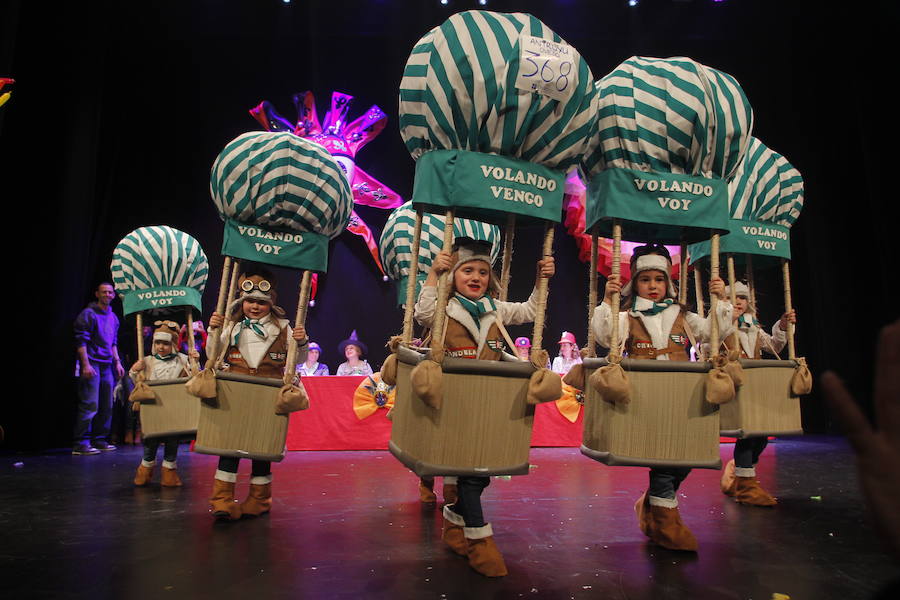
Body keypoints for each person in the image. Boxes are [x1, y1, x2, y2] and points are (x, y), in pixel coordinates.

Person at [415, 236, 555, 577]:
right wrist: (435, 274)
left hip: (487, 404)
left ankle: (453, 524)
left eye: (481, 271)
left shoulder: (495, 309)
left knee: (481, 474)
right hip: (453, 404)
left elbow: (530, 311)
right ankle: (479, 539)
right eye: (467, 270)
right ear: (455, 275)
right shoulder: (445, 309)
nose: (475, 277)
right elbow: (422, 312)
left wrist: (541, 281)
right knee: (471, 477)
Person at [591, 243, 732, 552]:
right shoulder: (627, 316)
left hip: (682, 395)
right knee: (664, 458)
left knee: (686, 456)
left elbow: (714, 332)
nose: (652, 286)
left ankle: (652, 505)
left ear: (668, 282)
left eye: (658, 279)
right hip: (646, 396)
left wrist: (720, 300)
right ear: (635, 282)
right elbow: (603, 336)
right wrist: (607, 300)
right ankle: (665, 519)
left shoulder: (683, 315)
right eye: (645, 279)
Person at [204, 266, 308, 520]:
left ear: (270, 303)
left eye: (261, 302)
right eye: (250, 300)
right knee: (229, 448)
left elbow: (298, 360)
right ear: (243, 301)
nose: (255, 306)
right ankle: (223, 500)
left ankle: (259, 500)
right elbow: (212, 354)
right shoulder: (232, 327)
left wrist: (302, 342)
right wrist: (213, 330)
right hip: (236, 392)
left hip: (268, 396)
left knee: (262, 450)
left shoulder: (284, 327)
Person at [717, 281, 796, 507]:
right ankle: (745, 485)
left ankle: (740, 473)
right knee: (747, 433)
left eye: (742, 298)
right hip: (734, 383)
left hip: (755, 385)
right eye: (733, 298)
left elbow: (773, 346)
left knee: (760, 434)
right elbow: (707, 347)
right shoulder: (721, 325)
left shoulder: (751, 325)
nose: (738, 302)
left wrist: (781, 325)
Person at [130, 321, 197, 487]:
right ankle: (145, 471)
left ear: (173, 344)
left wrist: (195, 362)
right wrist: (134, 370)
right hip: (153, 408)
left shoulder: (182, 360)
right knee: (151, 441)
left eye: (165, 343)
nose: (161, 347)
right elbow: (138, 383)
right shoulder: (147, 361)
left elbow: (196, 379)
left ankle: (169, 473)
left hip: (174, 408)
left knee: (172, 440)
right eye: (157, 343)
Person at [72, 282, 125, 455]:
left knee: (106, 404)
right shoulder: (89, 314)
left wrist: (117, 362)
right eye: (104, 292)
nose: (107, 295)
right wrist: (85, 365)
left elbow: (113, 342)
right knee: (90, 403)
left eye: (110, 292)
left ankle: (99, 439)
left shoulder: (113, 317)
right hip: (92, 363)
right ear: (97, 294)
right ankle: (81, 442)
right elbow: (81, 341)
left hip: (106, 364)